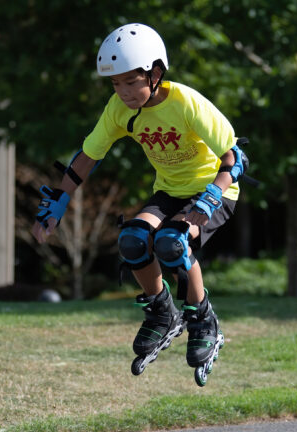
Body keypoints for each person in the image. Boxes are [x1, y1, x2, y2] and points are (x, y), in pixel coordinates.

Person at [32, 23, 247, 373]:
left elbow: (235, 159)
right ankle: (163, 313)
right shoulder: (119, 110)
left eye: (131, 82)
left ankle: (204, 320)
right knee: (132, 239)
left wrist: (209, 199)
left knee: (172, 243)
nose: (123, 92)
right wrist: (57, 203)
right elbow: (87, 158)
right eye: (115, 83)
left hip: (215, 190)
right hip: (170, 192)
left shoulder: (186, 103)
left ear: (155, 74)